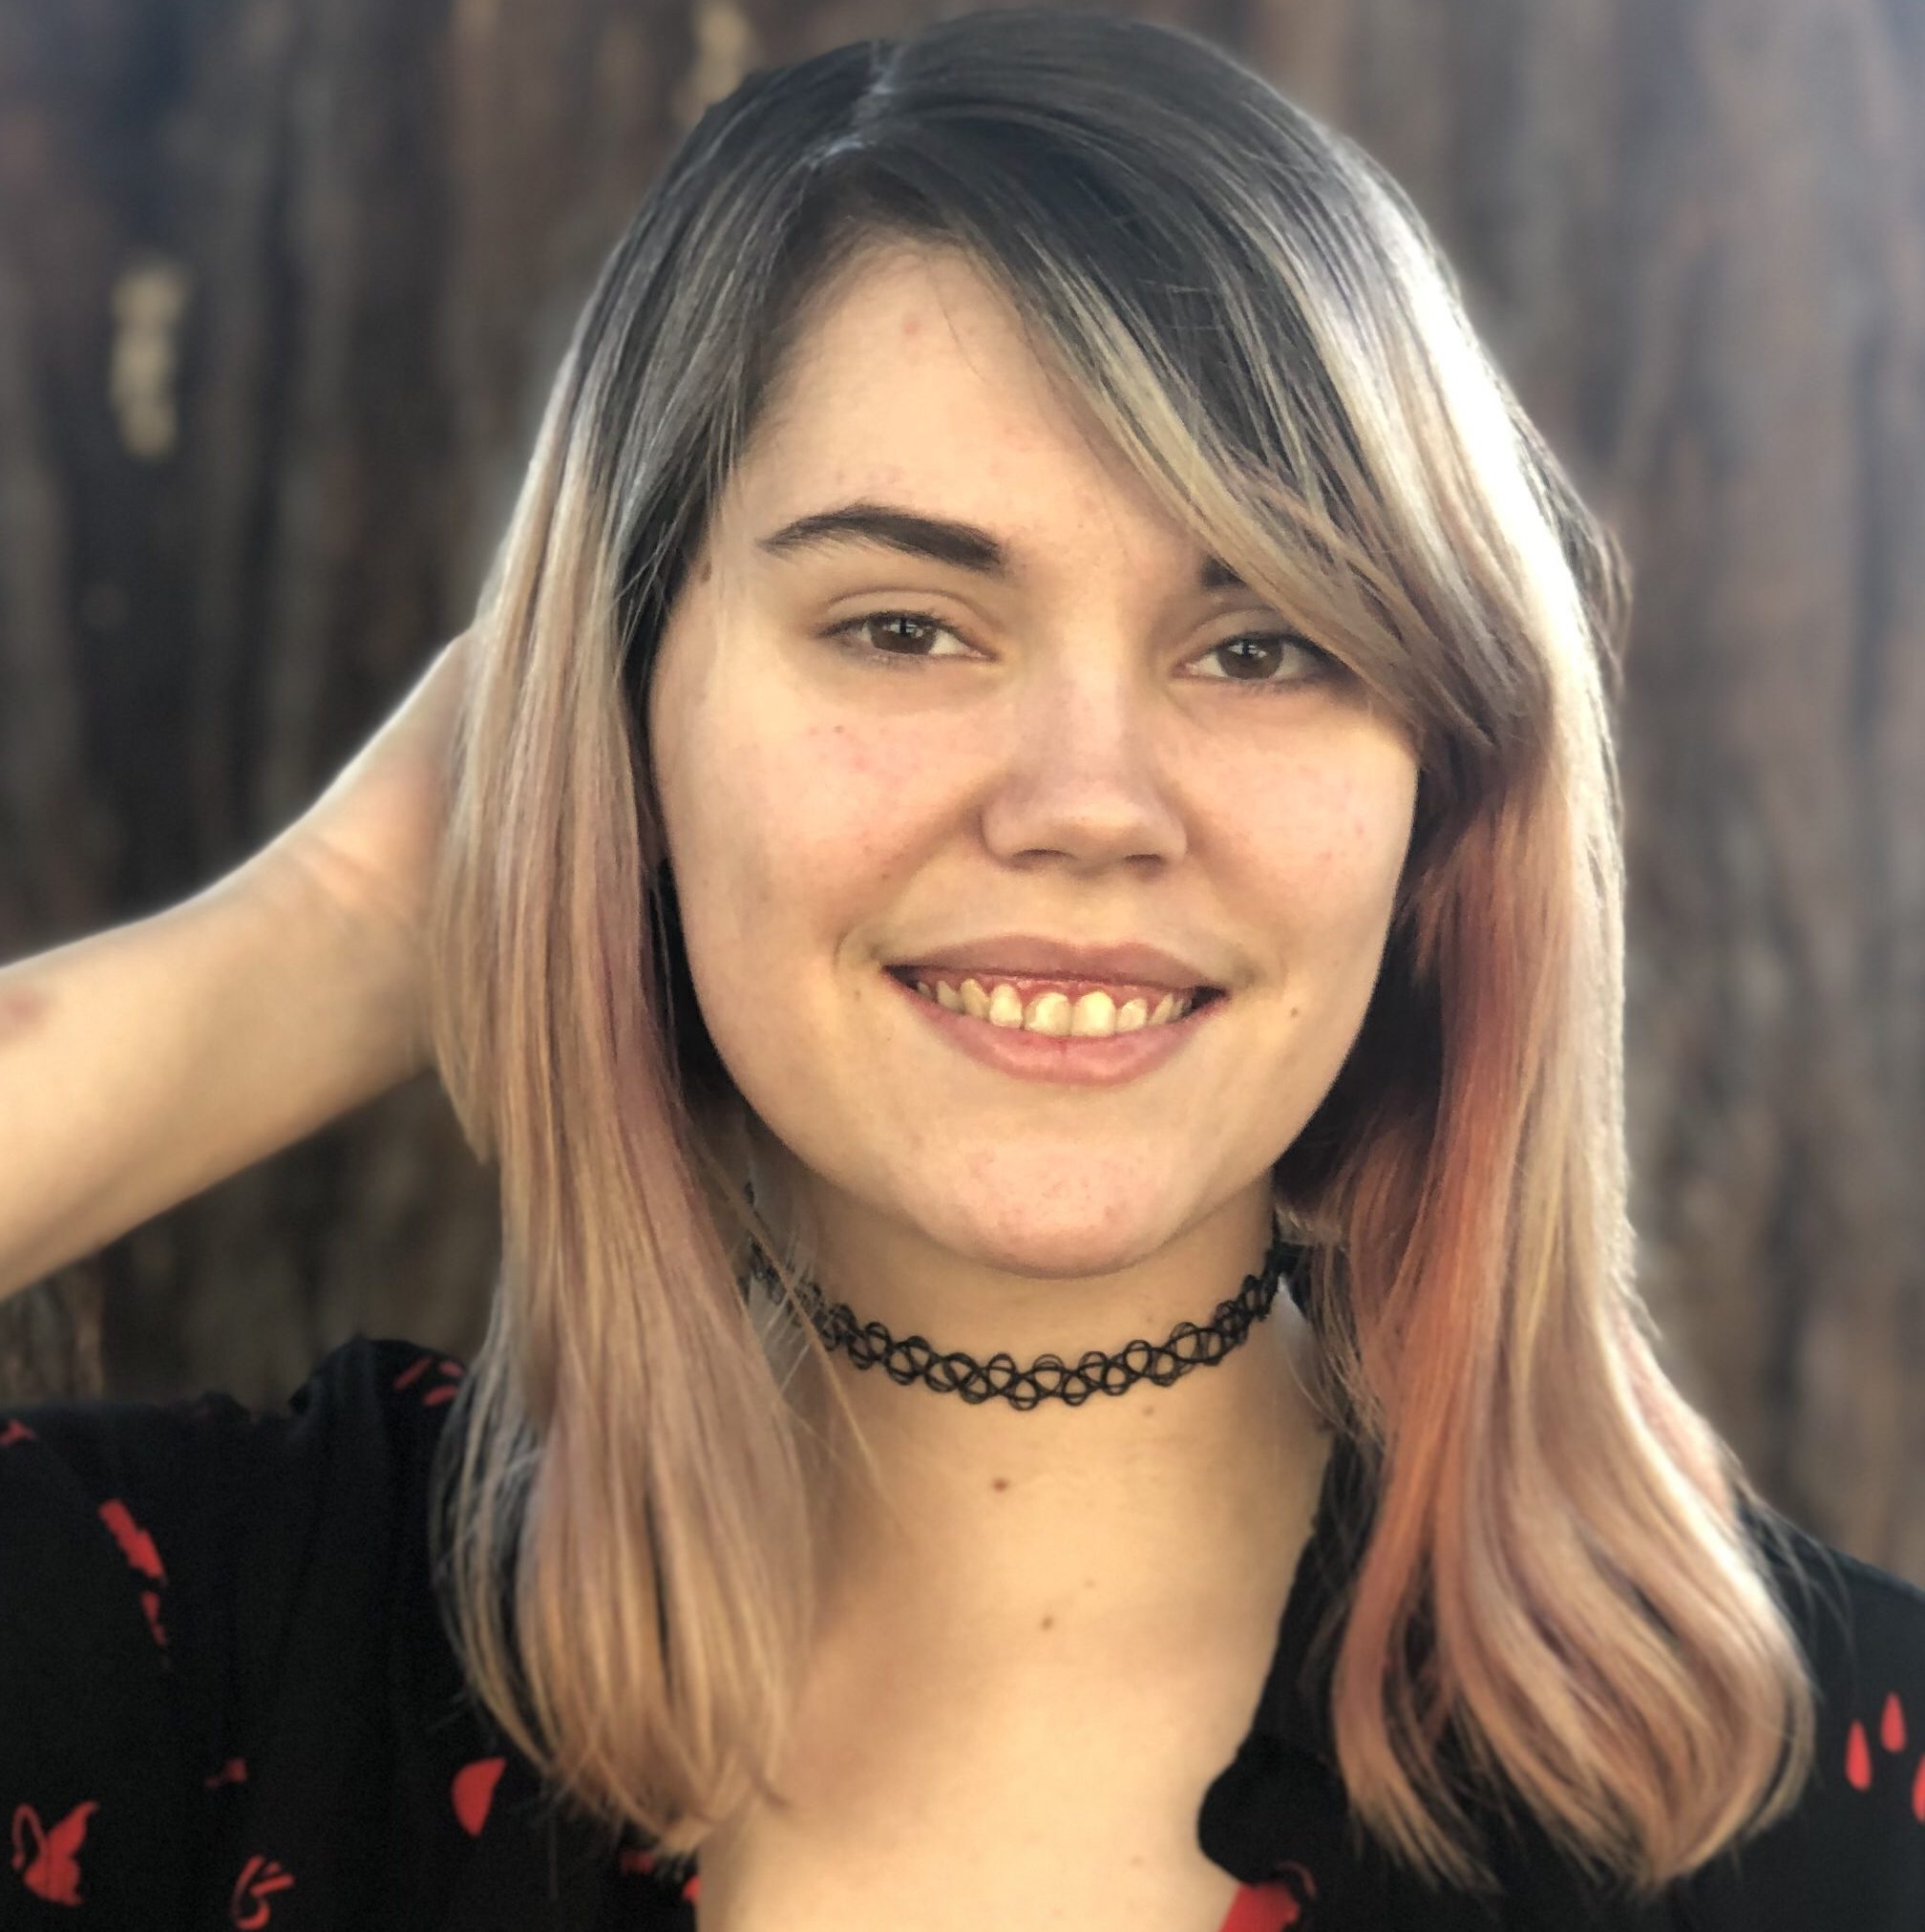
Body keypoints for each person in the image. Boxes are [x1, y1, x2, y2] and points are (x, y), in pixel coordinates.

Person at [0, 9, 1918, 1929]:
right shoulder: (212, 1657)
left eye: (1262, 645)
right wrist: (342, 924)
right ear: (630, 726)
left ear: (1442, 787)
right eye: (906, 627)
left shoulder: (1829, 1794)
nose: (1090, 804)